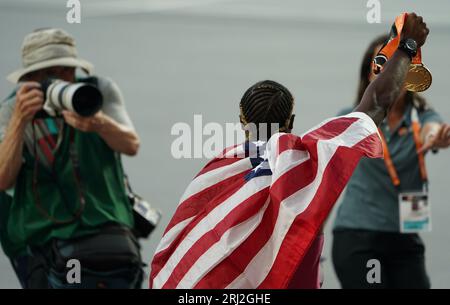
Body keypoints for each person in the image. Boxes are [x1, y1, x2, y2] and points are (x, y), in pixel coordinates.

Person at [149, 13, 431, 289]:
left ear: (241, 123)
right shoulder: (306, 162)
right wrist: (406, 47)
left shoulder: (217, 171)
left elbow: (180, 238)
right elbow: (375, 105)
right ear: (291, 122)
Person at [0, 28, 143, 288]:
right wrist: (19, 122)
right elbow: (2, 179)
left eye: (66, 71)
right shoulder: (13, 109)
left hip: (106, 232)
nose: (59, 82)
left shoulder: (96, 92)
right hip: (45, 242)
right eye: (46, 75)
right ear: (28, 79)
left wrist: (99, 123)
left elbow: (131, 144)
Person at [332, 33, 450, 289]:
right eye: (379, 64)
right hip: (357, 237)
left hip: (404, 239)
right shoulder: (350, 120)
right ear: (368, 75)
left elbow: (433, 128)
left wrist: (438, 137)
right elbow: (327, 178)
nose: (387, 72)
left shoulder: (422, 117)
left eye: (395, 64)